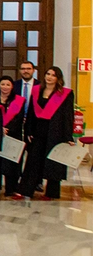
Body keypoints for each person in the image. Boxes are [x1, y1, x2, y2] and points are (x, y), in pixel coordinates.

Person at [19, 66, 74, 201]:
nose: (49, 77)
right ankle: (26, 190)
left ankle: (51, 193)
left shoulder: (65, 93)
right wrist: (29, 131)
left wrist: (68, 137)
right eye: (47, 74)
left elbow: (68, 116)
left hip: (56, 132)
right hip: (38, 131)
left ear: (58, 78)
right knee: (33, 161)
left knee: (53, 162)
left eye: (53, 75)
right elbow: (31, 113)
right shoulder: (37, 90)